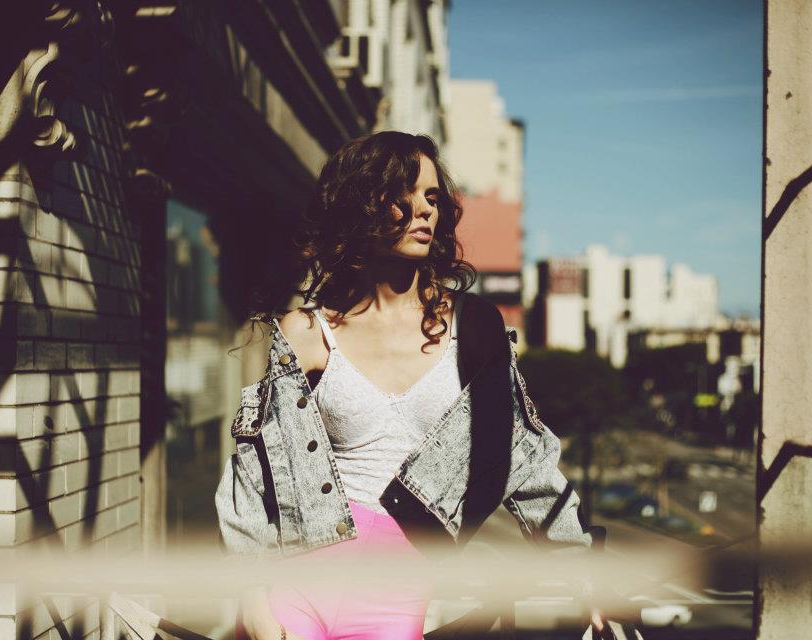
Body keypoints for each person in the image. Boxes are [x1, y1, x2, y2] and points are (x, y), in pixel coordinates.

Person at [216, 131, 602, 640]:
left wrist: (580, 567)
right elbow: (253, 470)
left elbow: (524, 459)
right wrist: (252, 598)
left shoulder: (474, 329)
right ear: (360, 204)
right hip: (300, 578)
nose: (424, 210)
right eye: (404, 194)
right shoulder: (307, 332)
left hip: (397, 589)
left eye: (432, 197)